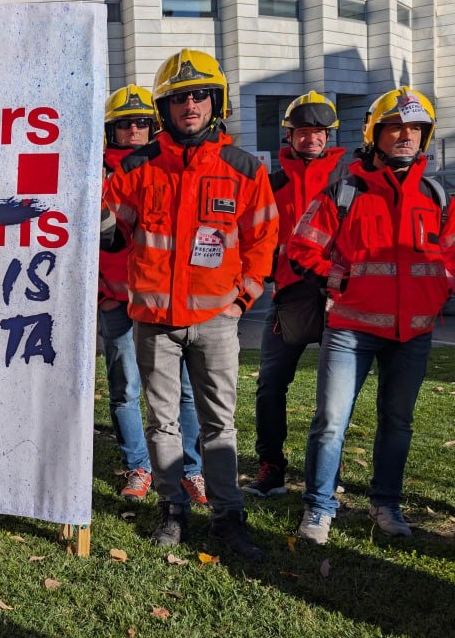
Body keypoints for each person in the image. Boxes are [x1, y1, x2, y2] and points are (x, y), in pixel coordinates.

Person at [101, 49, 277, 561]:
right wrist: (94, 204)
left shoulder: (243, 168)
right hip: (153, 322)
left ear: (215, 101)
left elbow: (263, 237)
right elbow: (114, 237)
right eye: (178, 98)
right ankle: (173, 508)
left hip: (218, 321)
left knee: (220, 422)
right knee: (162, 421)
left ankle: (229, 517)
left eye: (199, 94)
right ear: (165, 109)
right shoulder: (137, 166)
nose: (190, 105)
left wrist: (244, 296)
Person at [287, 86, 455, 545]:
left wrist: (436, 292)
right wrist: (339, 283)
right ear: (376, 133)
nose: (406, 135)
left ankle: (385, 504)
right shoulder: (343, 191)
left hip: (413, 332)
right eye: (396, 127)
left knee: (398, 422)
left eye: (416, 128)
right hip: (351, 329)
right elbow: (302, 246)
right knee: (331, 421)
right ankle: (319, 506)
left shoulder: (436, 195)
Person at [98, 85, 206, 505]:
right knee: (125, 387)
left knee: (184, 390)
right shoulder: (96, 173)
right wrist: (102, 292)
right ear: (111, 130)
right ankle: (138, 466)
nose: (135, 131)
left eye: (143, 122)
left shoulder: (170, 168)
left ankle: (190, 470)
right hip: (116, 299)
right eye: (124, 124)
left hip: (164, 300)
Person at [245, 92, 349, 497]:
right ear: (288, 136)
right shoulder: (271, 183)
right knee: (271, 385)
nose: (312, 140)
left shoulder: (348, 179)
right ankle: (271, 467)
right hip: (289, 294)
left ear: (328, 137)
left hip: (338, 295)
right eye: (303, 132)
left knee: (334, 392)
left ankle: (327, 474)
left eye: (319, 133)